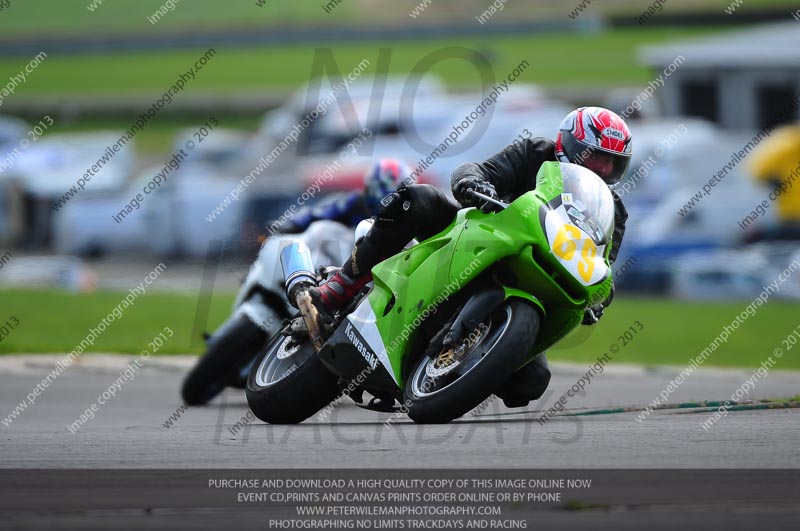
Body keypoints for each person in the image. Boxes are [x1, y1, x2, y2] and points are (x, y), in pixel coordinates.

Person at [310, 106, 633, 407]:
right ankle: (345, 282)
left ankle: (451, 371)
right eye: (598, 158)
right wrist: (472, 182)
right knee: (418, 199)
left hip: (541, 276)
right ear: (570, 145)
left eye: (612, 163)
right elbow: (482, 169)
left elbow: (602, 261)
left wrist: (598, 297)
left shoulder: (612, 211)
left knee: (531, 382)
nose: (604, 169)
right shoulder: (535, 153)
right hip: (477, 235)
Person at [276, 158, 409, 234]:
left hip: (396, 271)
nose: (386, 198)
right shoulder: (356, 202)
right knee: (322, 230)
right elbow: (319, 213)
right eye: (381, 189)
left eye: (396, 191)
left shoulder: (414, 213)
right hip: (351, 265)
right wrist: (294, 225)